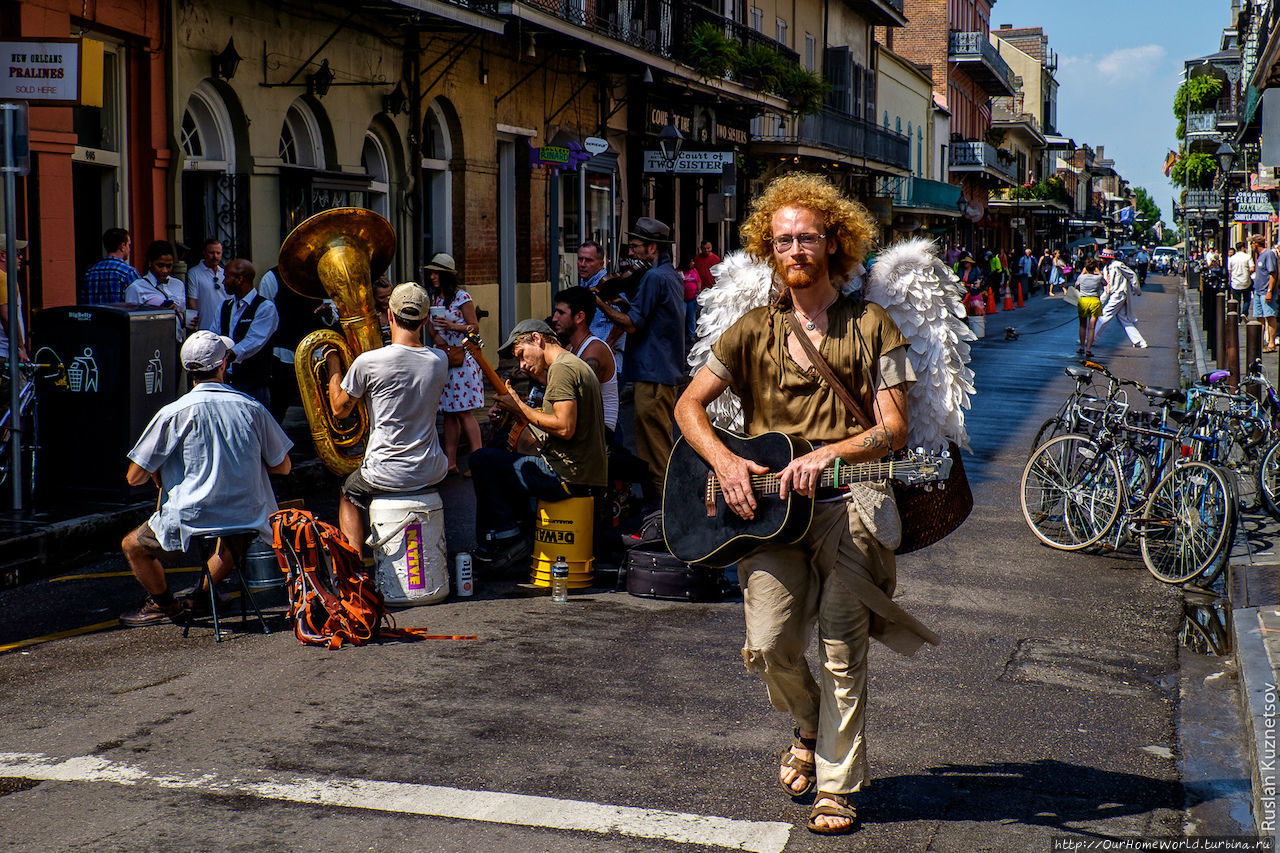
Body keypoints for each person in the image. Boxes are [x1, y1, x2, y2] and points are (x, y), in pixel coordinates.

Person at [674, 173, 937, 836]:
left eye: (808, 237)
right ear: (769, 248)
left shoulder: (872, 325)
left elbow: (894, 428)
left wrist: (831, 453)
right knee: (769, 644)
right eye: (783, 239)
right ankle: (809, 723)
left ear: (832, 243)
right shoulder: (750, 331)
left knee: (843, 646)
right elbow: (688, 406)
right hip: (767, 514)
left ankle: (837, 785)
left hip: (852, 502)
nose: (795, 248)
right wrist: (727, 461)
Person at [118, 330, 292, 627]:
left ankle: (167, 606)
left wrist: (160, 472)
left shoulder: (173, 413)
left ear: (189, 370)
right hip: (248, 514)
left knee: (132, 546)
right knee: (234, 539)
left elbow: (134, 477)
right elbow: (283, 467)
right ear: (224, 364)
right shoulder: (252, 408)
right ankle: (201, 597)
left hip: (192, 514)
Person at [469, 319, 607, 572]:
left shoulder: (562, 369)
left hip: (566, 475)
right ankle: (514, 533)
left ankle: (507, 538)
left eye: (521, 355)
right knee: (502, 457)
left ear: (537, 338)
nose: (522, 365)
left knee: (481, 460)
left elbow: (564, 427)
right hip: (578, 472)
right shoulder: (571, 364)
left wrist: (518, 407)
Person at [325, 283, 449, 551]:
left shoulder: (368, 362)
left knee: (348, 493)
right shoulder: (439, 360)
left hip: (386, 470)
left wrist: (334, 362)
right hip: (431, 467)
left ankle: (354, 563)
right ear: (425, 320)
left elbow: (339, 409)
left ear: (390, 316)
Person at [593, 217, 684, 501]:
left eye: (635, 247)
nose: (630, 253)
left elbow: (632, 324)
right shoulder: (670, 275)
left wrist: (596, 302)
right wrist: (622, 303)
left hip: (653, 373)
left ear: (652, 247)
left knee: (653, 450)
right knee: (656, 444)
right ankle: (660, 507)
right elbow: (650, 315)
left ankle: (663, 510)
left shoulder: (654, 277)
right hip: (661, 371)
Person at [424, 252, 484, 477]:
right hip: (445, 359)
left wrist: (451, 326)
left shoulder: (462, 297)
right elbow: (432, 327)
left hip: (463, 359)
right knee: (449, 412)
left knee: (464, 412)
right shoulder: (435, 299)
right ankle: (450, 462)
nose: (432, 277)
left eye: (436, 273)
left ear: (446, 275)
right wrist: (435, 333)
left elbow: (474, 327)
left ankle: (478, 461)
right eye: (431, 273)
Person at [550, 286, 619, 437]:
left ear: (580, 317)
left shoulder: (594, 349)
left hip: (600, 436)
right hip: (583, 429)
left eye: (561, 313)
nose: (554, 318)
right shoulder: (571, 348)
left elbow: (575, 394)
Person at [216, 259, 279, 408]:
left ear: (239, 279)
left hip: (254, 385)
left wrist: (229, 353)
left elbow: (254, 340)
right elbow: (215, 334)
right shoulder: (224, 307)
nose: (223, 282)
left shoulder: (265, 308)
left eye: (226, 277)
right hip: (227, 383)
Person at [576, 240, 626, 376]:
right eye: (580, 259)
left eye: (588, 260)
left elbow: (625, 319)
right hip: (589, 361)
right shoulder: (584, 284)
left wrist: (608, 344)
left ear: (601, 264)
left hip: (606, 364)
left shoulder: (610, 285)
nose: (582, 264)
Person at [125, 240, 187, 340]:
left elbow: (182, 312)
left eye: (169, 266)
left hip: (177, 341)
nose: (165, 271)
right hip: (152, 342)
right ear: (150, 263)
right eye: (160, 265)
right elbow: (131, 324)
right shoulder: (136, 288)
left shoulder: (178, 285)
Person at [1093, 248, 1148, 349]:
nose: (1101, 260)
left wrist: (1137, 290)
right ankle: (1139, 341)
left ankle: (1091, 339)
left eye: (1103, 258)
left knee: (1104, 315)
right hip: (1114, 295)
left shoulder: (1118, 265)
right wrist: (1099, 301)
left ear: (1107, 259)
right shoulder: (1105, 269)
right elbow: (1107, 289)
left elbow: (1132, 275)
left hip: (1119, 294)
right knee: (1124, 319)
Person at [81, 228, 135, 305]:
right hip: (119, 316)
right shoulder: (128, 272)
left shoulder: (90, 273)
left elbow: (84, 304)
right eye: (128, 245)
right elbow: (138, 302)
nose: (129, 249)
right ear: (122, 246)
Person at [186, 238, 227, 333]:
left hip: (224, 325)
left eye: (218, 253)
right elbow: (192, 301)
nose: (215, 256)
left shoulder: (225, 273)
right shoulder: (194, 273)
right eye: (211, 253)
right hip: (204, 326)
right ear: (204, 253)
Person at [0, 241, 28, 363]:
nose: (21, 257)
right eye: (17, 253)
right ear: (3, 256)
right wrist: (20, 347)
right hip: (5, 351)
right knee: (20, 382)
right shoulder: (4, 279)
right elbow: (8, 317)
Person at [1250, 235, 1279, 350]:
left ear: (1256, 244)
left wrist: (1270, 291)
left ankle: (1271, 342)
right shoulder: (1260, 256)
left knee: (1270, 315)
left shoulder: (1269, 254)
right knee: (1259, 317)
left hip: (1266, 291)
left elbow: (1273, 273)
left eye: (1252, 243)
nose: (1251, 246)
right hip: (1258, 291)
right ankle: (1260, 342)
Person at [690, 239, 722, 340]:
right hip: (700, 290)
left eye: (708, 248)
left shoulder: (716, 259)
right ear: (701, 248)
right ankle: (700, 331)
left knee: (711, 311)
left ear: (711, 248)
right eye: (704, 249)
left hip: (712, 288)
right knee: (699, 312)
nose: (706, 250)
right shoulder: (697, 258)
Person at [1074, 258, 1104, 358]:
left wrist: (1083, 272)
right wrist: (1098, 271)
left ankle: (1082, 347)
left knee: (1082, 325)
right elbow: (1105, 283)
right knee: (1092, 327)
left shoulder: (1081, 277)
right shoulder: (1098, 277)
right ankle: (1089, 349)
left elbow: (1076, 285)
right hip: (1095, 301)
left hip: (1083, 301)